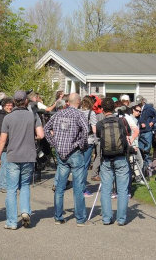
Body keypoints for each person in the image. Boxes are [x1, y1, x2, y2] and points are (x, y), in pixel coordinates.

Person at [0, 91, 44, 230]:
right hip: (28, 156)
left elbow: (2, 139)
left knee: (11, 189)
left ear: (14, 102)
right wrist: (31, 137)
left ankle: (11, 222)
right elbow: (41, 134)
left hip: (12, 156)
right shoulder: (33, 115)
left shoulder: (8, 118)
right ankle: (25, 211)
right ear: (26, 102)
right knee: (25, 186)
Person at [44, 93, 91, 226]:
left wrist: (54, 143)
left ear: (68, 102)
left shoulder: (58, 114)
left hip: (61, 153)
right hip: (75, 152)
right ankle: (80, 219)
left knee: (60, 187)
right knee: (78, 187)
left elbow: (46, 129)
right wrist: (81, 144)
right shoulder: (80, 115)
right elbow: (86, 131)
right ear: (79, 102)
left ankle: (58, 216)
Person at [96, 97, 131, 226]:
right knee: (122, 190)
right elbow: (129, 133)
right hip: (121, 157)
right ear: (114, 108)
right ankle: (121, 219)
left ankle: (106, 218)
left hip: (106, 159)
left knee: (106, 190)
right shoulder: (122, 121)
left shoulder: (100, 124)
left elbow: (99, 137)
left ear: (103, 109)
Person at [0, 97, 14, 193]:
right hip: (4, 144)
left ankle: (6, 183)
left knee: (7, 164)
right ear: (4, 106)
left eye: (11, 105)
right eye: (8, 105)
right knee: (4, 164)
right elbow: (1, 131)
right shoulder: (2, 116)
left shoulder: (8, 114)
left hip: (8, 143)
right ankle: (3, 185)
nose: (10, 107)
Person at [137, 95, 156, 173]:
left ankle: (149, 169)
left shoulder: (148, 108)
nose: (139, 104)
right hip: (140, 131)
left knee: (147, 150)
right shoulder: (137, 109)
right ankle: (142, 168)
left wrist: (152, 122)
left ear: (143, 101)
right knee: (140, 150)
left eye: (140, 103)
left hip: (147, 132)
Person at [80, 95, 97, 197]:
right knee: (85, 165)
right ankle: (83, 189)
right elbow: (94, 129)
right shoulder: (92, 113)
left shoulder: (78, 111)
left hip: (77, 141)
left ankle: (78, 187)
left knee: (78, 165)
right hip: (88, 141)